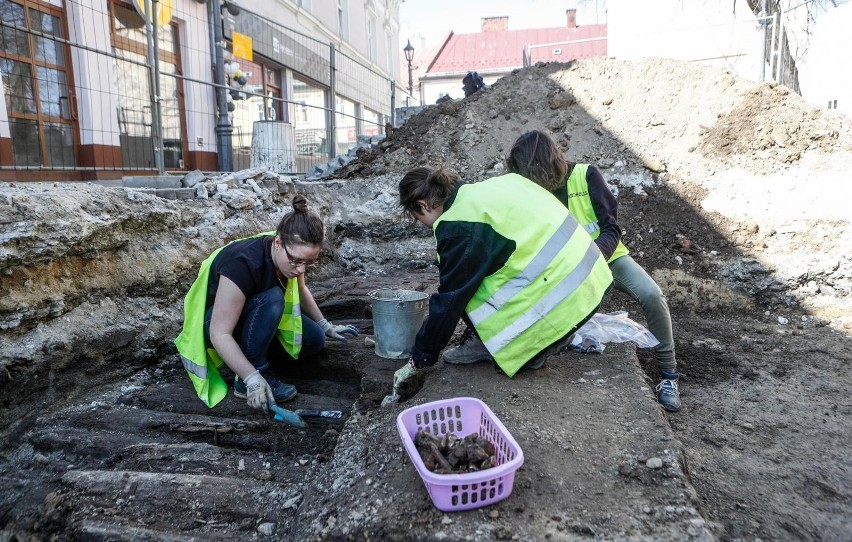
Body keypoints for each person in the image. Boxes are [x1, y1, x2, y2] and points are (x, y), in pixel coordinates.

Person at [391, 166, 613, 400]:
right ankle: (548, 329)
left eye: (419, 218)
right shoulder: (498, 186)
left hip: (561, 303)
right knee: (476, 270)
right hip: (591, 280)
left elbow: (449, 300)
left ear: (423, 204)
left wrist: (419, 359)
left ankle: (535, 342)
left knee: (462, 283)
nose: (425, 225)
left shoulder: (458, 225)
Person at [505, 130, 681, 412]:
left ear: (541, 163)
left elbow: (611, 227)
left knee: (652, 295)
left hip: (608, 257)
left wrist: (596, 256)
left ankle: (668, 374)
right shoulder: (533, 192)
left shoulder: (585, 176)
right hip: (565, 268)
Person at [175, 195, 358, 410]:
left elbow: (301, 289)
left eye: (308, 263)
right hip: (212, 326)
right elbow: (219, 333)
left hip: (250, 316)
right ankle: (251, 375)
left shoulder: (290, 252)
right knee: (271, 299)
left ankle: (251, 355)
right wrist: (251, 378)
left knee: (314, 340)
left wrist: (325, 325)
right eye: (297, 261)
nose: (301, 269)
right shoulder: (242, 264)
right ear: (278, 242)